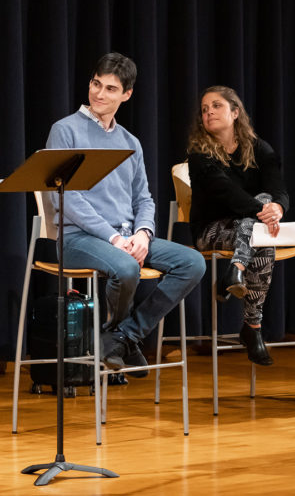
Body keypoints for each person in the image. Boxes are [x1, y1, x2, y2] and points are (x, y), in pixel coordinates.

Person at [46, 52, 206, 376]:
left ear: (127, 94)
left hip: (127, 236)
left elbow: (144, 198)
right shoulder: (65, 130)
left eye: (110, 88)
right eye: (96, 84)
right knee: (125, 268)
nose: (99, 94)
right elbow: (67, 199)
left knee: (192, 263)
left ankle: (122, 336)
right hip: (78, 238)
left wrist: (144, 234)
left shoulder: (130, 142)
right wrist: (116, 238)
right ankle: (122, 338)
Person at [187, 85, 289, 366]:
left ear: (235, 112)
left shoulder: (259, 149)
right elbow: (227, 194)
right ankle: (253, 328)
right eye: (204, 109)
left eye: (216, 106)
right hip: (210, 230)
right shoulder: (199, 155)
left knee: (262, 216)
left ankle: (237, 270)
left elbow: (278, 189)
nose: (208, 112)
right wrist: (263, 212)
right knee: (259, 232)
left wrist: (276, 207)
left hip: (248, 229)